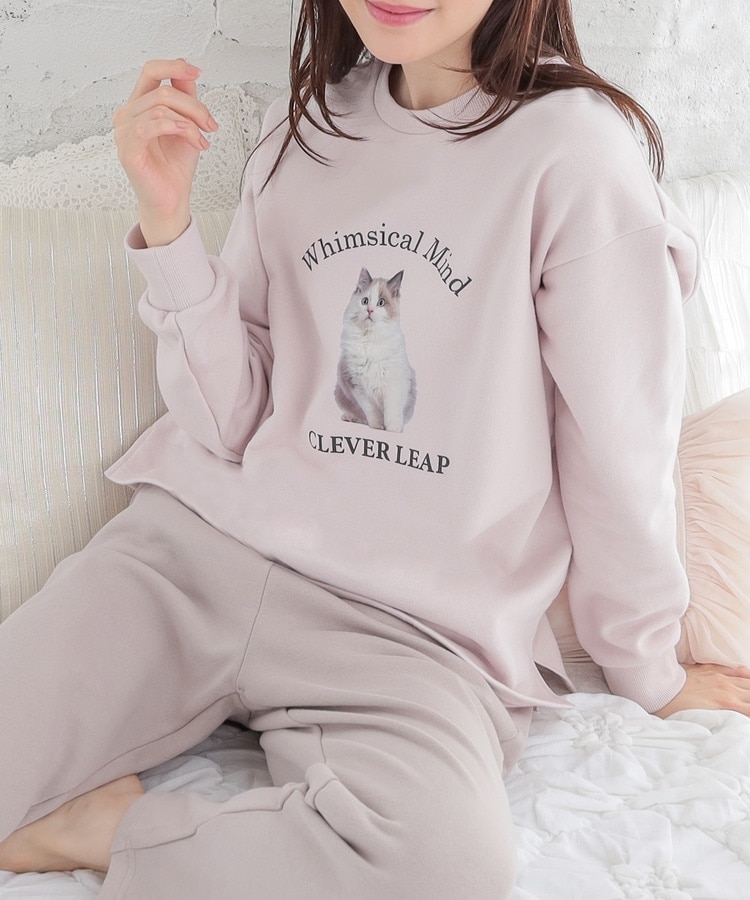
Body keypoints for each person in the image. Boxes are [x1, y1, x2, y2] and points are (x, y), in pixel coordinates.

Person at [2, 1, 749, 897]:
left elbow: (619, 450)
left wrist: (646, 668)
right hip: (190, 561)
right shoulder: (305, 127)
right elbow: (231, 421)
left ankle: (106, 831)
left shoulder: (576, 153)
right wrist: (168, 226)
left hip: (411, 634)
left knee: (440, 868)